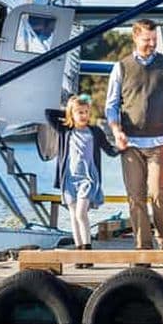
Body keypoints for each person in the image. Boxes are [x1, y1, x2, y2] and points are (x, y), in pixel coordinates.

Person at [105, 19, 163, 256]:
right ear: (135, 38)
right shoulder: (121, 67)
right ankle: (143, 247)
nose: (151, 44)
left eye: (154, 40)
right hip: (130, 142)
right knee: (135, 196)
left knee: (159, 193)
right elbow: (111, 105)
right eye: (146, 40)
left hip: (160, 141)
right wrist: (117, 130)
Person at [47, 95, 120, 268]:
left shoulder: (95, 132)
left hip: (88, 178)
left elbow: (109, 150)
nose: (84, 115)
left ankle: (88, 251)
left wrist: (122, 148)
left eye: (86, 112)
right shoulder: (65, 130)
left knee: (81, 213)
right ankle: (80, 254)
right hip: (69, 179)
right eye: (80, 112)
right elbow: (48, 114)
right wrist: (68, 112)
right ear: (72, 114)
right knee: (73, 215)